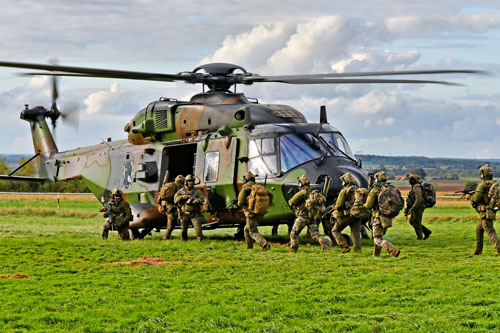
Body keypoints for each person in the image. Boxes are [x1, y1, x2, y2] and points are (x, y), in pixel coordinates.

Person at [288, 175, 331, 252]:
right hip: (312, 217)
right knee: (315, 235)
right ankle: (323, 244)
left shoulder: (302, 193)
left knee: (293, 234)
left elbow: (291, 203)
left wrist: (290, 197)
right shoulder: (313, 193)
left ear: (301, 184)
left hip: (302, 217)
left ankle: (293, 249)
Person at [364, 171, 400, 257]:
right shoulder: (390, 188)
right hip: (387, 216)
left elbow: (369, 205)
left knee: (377, 238)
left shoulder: (375, 190)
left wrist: (364, 204)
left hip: (377, 217)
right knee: (380, 235)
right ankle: (376, 255)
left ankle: (392, 250)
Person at [237, 172, 273, 251]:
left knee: (252, 232)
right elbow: (271, 194)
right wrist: (267, 204)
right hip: (260, 212)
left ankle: (264, 244)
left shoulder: (246, 188)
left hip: (251, 213)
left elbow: (240, 202)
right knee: (246, 229)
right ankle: (249, 248)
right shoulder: (259, 186)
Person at [470, 165, 500, 256]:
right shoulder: (493, 184)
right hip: (490, 211)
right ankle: (478, 251)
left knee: (490, 231)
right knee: (478, 230)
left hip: (484, 212)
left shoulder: (482, 184)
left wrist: (470, 197)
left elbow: (477, 198)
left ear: (483, 174)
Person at [331, 173, 361, 253]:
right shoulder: (358, 190)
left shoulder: (344, 191)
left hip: (347, 215)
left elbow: (339, 205)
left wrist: (334, 208)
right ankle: (357, 251)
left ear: (344, 182)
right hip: (357, 214)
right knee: (356, 233)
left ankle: (344, 246)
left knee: (335, 230)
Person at [174, 174, 206, 241]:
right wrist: (182, 197)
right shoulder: (181, 191)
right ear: (186, 182)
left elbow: (202, 199)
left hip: (194, 213)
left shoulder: (197, 191)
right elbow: (175, 200)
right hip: (184, 212)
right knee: (183, 229)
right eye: (189, 181)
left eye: (192, 181)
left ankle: (200, 241)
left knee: (198, 228)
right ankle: (183, 241)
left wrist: (198, 200)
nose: (191, 182)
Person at [405, 173, 432, 240]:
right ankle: (427, 231)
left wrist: (412, 208)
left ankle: (420, 238)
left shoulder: (417, 187)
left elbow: (418, 199)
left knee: (417, 223)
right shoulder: (414, 186)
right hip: (416, 206)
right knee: (412, 221)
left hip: (419, 207)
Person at [158, 175, 185, 240]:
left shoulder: (168, 185)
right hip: (175, 206)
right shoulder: (181, 187)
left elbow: (160, 198)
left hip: (168, 207)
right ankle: (166, 236)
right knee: (181, 222)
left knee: (171, 223)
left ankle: (167, 236)